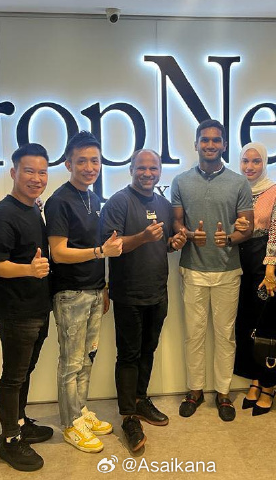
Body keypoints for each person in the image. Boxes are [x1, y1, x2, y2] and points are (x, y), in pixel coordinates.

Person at [99, 149, 187, 451]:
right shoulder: (118, 202)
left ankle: (139, 399)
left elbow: (163, 245)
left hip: (157, 293)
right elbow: (111, 245)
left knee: (148, 350)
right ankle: (128, 417)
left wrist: (174, 243)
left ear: (160, 171)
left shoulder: (163, 204)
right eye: (141, 168)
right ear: (131, 169)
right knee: (128, 355)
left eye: (153, 168)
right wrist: (142, 237)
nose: (147, 173)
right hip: (128, 294)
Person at [171, 119, 254, 422]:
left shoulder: (239, 183)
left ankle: (223, 393)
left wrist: (230, 238)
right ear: (196, 144)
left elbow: (248, 226)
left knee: (225, 336)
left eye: (215, 140)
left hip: (228, 270)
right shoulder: (181, 181)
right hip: (192, 269)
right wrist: (185, 233)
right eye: (204, 140)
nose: (209, 145)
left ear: (224, 145)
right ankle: (195, 391)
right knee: (193, 335)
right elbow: (176, 221)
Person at [45, 131, 123, 453]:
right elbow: (58, 253)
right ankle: (70, 424)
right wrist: (100, 252)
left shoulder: (93, 199)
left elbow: (98, 247)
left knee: (87, 358)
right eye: (82, 161)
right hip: (70, 294)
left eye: (95, 161)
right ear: (68, 164)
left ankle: (80, 412)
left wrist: (103, 287)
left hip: (93, 290)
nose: (89, 167)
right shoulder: (59, 201)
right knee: (71, 362)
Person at [0, 143, 55, 472]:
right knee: (13, 376)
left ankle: (21, 422)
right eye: (29, 171)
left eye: (42, 172)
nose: (36, 178)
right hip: (15, 311)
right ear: (14, 172)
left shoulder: (33, 208)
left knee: (24, 371)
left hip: (37, 307)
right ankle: (9, 440)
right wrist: (29, 269)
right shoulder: (3, 214)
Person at [233, 142, 276, 416]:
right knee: (245, 323)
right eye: (245, 161)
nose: (250, 166)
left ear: (264, 163)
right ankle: (254, 379)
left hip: (264, 263)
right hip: (238, 261)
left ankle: (269, 385)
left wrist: (270, 270)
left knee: (266, 324)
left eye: (256, 161)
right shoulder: (236, 189)